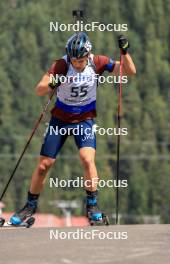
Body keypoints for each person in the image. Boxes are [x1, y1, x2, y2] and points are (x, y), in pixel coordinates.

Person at [10, 33, 136, 225]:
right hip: (59, 120)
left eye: (81, 61)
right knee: (44, 165)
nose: (77, 64)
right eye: (74, 60)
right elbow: (40, 89)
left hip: (84, 120)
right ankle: (29, 206)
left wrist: (124, 53)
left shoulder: (97, 62)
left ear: (88, 55)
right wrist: (54, 81)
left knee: (87, 159)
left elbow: (129, 72)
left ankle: (92, 207)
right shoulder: (61, 65)